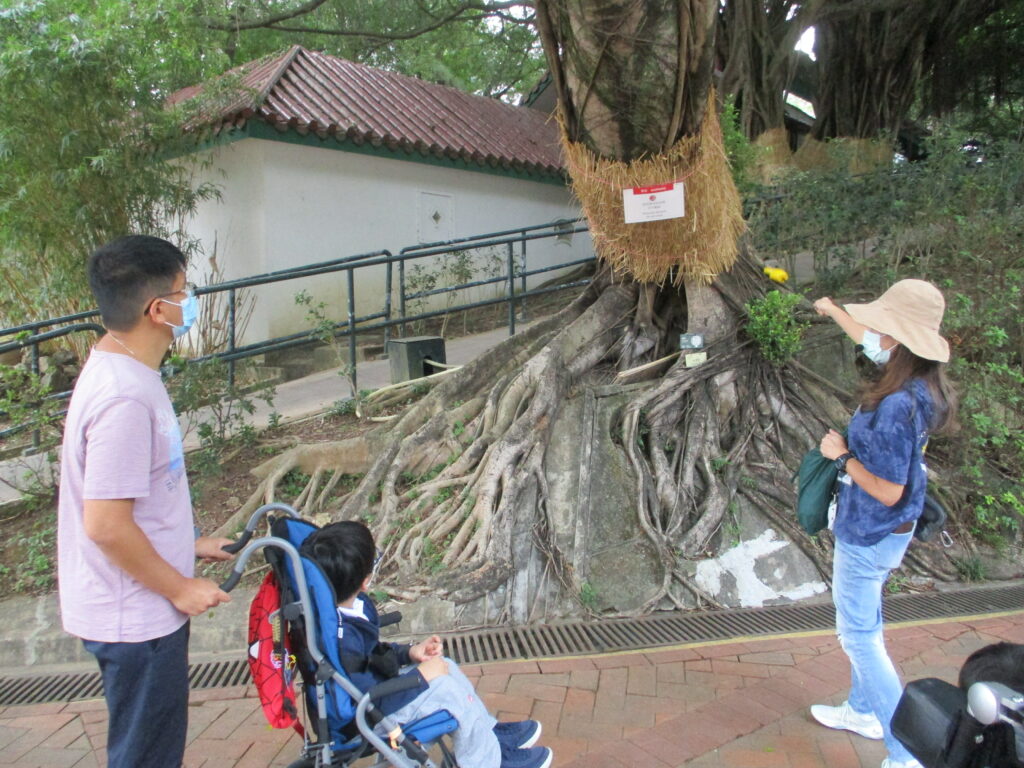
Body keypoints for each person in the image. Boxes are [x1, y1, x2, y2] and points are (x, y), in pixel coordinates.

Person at [57, 235, 236, 768]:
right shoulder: (124, 396)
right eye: (186, 291)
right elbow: (107, 525)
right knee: (146, 757)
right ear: (159, 310)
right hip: (135, 616)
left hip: (136, 603)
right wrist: (179, 586)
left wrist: (189, 544)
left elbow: (134, 500)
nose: (192, 301)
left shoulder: (125, 368)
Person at [809, 279, 958, 768]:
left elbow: (888, 489)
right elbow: (867, 342)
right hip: (890, 530)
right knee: (865, 623)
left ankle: (906, 749)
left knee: (858, 637)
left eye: (883, 325)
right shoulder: (918, 382)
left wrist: (842, 455)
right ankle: (863, 710)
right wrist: (833, 311)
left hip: (871, 529)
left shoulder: (896, 405)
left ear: (899, 338)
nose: (874, 330)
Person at [300, 521, 553, 768]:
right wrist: (421, 677)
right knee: (447, 690)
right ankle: (489, 761)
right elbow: (370, 696)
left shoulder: (347, 610)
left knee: (446, 666)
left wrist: (409, 653)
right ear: (365, 581)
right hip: (367, 715)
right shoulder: (342, 636)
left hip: (377, 695)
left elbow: (372, 656)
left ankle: (488, 736)